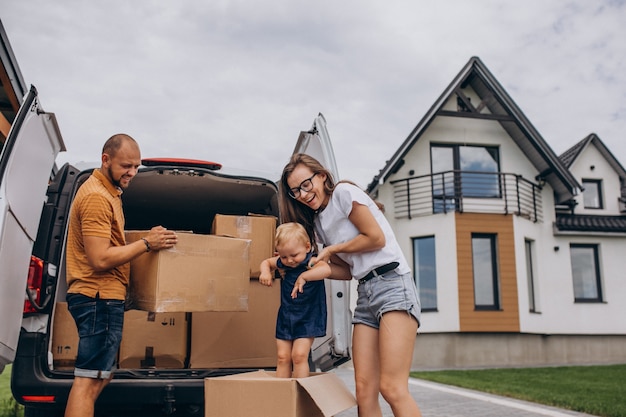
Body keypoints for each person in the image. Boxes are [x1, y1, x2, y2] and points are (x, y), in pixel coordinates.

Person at [280, 153, 422, 417]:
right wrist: (312, 270)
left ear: (321, 176)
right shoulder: (320, 223)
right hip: (366, 293)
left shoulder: (344, 193)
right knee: (363, 389)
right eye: (296, 191)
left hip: (392, 284)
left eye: (306, 184)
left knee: (391, 388)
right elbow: (347, 270)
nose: (303, 194)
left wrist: (333, 248)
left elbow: (375, 238)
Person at [64, 134, 178, 417]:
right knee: (88, 381)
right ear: (106, 159)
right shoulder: (96, 198)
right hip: (97, 297)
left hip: (102, 298)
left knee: (100, 376)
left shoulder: (108, 194)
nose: (132, 173)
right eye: (126, 165)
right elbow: (100, 257)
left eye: (136, 166)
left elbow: (110, 243)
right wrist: (147, 244)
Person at [259, 222, 331, 378]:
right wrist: (265, 272)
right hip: (287, 316)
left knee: (298, 356)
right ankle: (283, 395)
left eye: (294, 255)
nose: (290, 261)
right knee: (283, 357)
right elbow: (267, 262)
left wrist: (305, 276)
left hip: (308, 316)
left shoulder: (310, 262)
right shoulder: (283, 262)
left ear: (306, 247)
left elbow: (326, 269)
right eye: (284, 256)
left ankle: (300, 394)